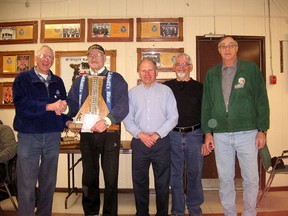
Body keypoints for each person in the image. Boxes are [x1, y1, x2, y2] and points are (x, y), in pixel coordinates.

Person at [201, 36, 270, 216]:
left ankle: (249, 212)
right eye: (223, 46)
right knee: (225, 179)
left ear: (237, 48)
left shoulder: (250, 69)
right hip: (221, 135)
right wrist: (208, 132)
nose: (227, 48)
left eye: (231, 45)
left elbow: (262, 100)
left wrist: (262, 130)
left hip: (248, 133)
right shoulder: (211, 74)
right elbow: (207, 104)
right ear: (219, 50)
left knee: (251, 178)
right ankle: (229, 213)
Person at [65, 44, 129, 216]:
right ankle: (91, 212)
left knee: (110, 177)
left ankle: (109, 213)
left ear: (104, 57)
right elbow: (71, 104)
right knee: (89, 176)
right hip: (87, 134)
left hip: (109, 133)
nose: (94, 58)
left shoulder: (116, 79)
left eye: (98, 54)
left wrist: (107, 121)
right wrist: (66, 114)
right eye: (90, 55)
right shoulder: (79, 81)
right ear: (87, 59)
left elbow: (123, 105)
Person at [13, 45, 68, 216]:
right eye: (43, 56)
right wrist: (49, 106)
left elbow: (63, 106)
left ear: (53, 60)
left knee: (48, 184)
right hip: (29, 137)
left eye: (50, 57)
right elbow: (22, 106)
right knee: (27, 185)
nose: (46, 60)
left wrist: (67, 120)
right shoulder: (23, 79)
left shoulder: (58, 81)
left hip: (52, 136)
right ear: (36, 58)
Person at [124, 58, 179, 216]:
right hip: (140, 143)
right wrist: (141, 135)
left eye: (150, 70)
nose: (147, 73)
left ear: (156, 72)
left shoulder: (166, 91)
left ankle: (162, 213)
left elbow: (173, 117)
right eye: (143, 70)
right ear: (139, 73)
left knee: (162, 182)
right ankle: (142, 213)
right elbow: (128, 119)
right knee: (140, 182)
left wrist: (156, 135)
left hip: (161, 142)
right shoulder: (132, 93)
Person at [164, 53, 210, 216]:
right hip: (173, 136)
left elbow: (207, 114)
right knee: (175, 175)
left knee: (195, 173)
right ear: (174, 67)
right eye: (178, 64)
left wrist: (206, 138)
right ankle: (177, 210)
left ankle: (195, 209)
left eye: (185, 64)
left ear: (190, 67)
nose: (182, 67)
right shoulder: (166, 87)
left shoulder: (200, 87)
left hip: (195, 135)